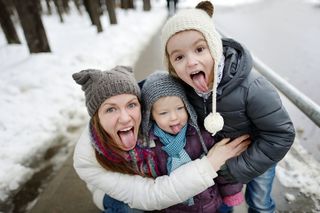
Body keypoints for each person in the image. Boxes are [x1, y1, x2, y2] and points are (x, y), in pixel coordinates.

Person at [161, 1, 296, 212]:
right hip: (219, 163)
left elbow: (281, 134)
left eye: (199, 49)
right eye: (179, 57)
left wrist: (236, 168)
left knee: (259, 202)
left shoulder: (253, 88)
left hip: (258, 156)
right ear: (171, 66)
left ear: (215, 48)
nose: (191, 62)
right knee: (223, 204)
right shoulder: (185, 91)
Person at [72, 65, 250, 212]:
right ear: (96, 117)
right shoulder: (87, 158)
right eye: (110, 109)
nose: (125, 118)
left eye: (131, 105)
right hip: (116, 195)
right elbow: (150, 196)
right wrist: (211, 163)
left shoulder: (148, 125)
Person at [140, 70, 244, 212]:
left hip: (212, 203)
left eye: (179, 108)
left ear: (187, 107)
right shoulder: (149, 146)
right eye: (164, 113)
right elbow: (152, 185)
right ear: (150, 115)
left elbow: (222, 165)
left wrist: (231, 191)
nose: (174, 117)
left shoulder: (200, 135)